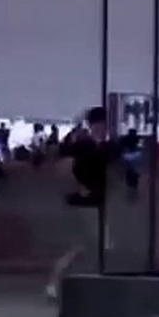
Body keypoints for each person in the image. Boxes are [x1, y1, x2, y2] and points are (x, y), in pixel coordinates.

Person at [46, 107, 114, 299]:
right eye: (103, 123)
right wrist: (79, 187)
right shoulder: (83, 145)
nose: (105, 127)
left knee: (83, 246)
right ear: (96, 124)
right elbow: (63, 165)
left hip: (94, 202)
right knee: (98, 245)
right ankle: (69, 283)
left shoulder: (101, 146)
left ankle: (59, 283)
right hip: (85, 204)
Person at [120, 129, 142, 195]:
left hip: (127, 154)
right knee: (135, 169)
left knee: (128, 169)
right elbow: (141, 146)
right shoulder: (138, 138)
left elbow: (121, 146)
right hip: (135, 154)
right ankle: (135, 182)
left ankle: (129, 182)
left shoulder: (125, 138)